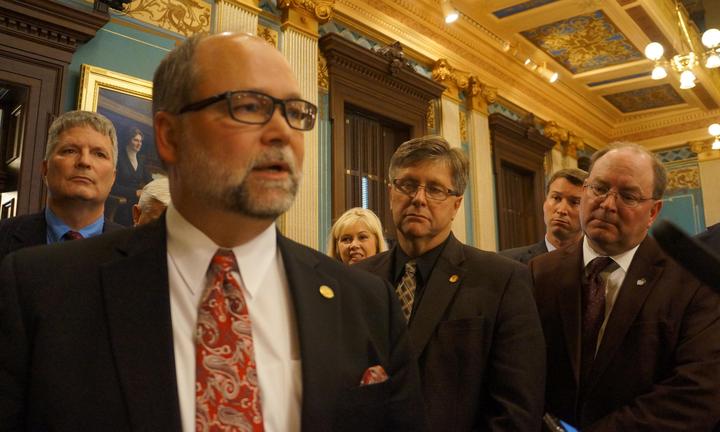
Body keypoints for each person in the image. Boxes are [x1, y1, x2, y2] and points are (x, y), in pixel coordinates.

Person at [0, 33, 424, 431]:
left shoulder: (367, 302)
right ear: (170, 136)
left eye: (295, 112)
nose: (283, 132)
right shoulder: (41, 289)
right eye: (250, 106)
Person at [356, 135, 546, 431]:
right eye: (408, 184)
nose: (419, 198)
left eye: (435, 189)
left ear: (456, 204)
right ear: (391, 192)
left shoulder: (502, 279)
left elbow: (516, 410)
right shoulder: (357, 278)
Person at [530, 142, 720, 430]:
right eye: (599, 188)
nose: (607, 204)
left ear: (653, 211)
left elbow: (696, 391)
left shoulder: (691, 282)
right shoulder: (539, 272)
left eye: (628, 196)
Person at [0, 110, 123, 263]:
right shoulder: (3, 237)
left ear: (113, 177)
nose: (84, 161)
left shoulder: (137, 252)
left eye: (99, 154)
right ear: (45, 169)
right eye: (70, 151)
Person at [501, 168, 587, 264]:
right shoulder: (507, 262)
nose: (561, 210)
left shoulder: (596, 266)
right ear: (545, 202)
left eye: (574, 202)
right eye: (556, 198)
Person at [110, 126, 153, 226]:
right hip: (121, 202)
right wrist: (135, 192)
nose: (139, 144)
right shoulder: (118, 158)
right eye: (136, 140)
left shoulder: (140, 160)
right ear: (128, 140)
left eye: (141, 141)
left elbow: (150, 180)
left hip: (137, 202)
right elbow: (112, 186)